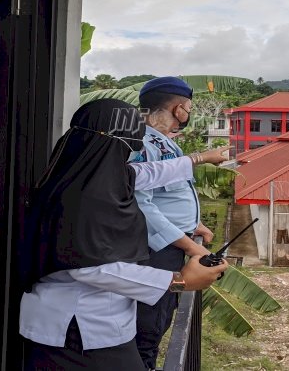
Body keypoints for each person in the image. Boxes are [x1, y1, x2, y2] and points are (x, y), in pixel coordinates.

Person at [18, 98, 229, 370]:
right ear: (113, 143)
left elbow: (151, 172)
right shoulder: (86, 197)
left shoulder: (87, 175)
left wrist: (199, 158)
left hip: (95, 324)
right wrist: (178, 281)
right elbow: (87, 268)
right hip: (77, 327)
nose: (133, 153)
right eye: (131, 145)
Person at [132, 77, 225, 369]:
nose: (188, 114)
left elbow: (166, 197)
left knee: (159, 321)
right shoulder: (144, 143)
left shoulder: (166, 144)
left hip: (171, 246)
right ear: (178, 108)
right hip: (156, 252)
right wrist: (191, 247)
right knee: (147, 328)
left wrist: (193, 226)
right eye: (188, 108)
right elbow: (140, 205)